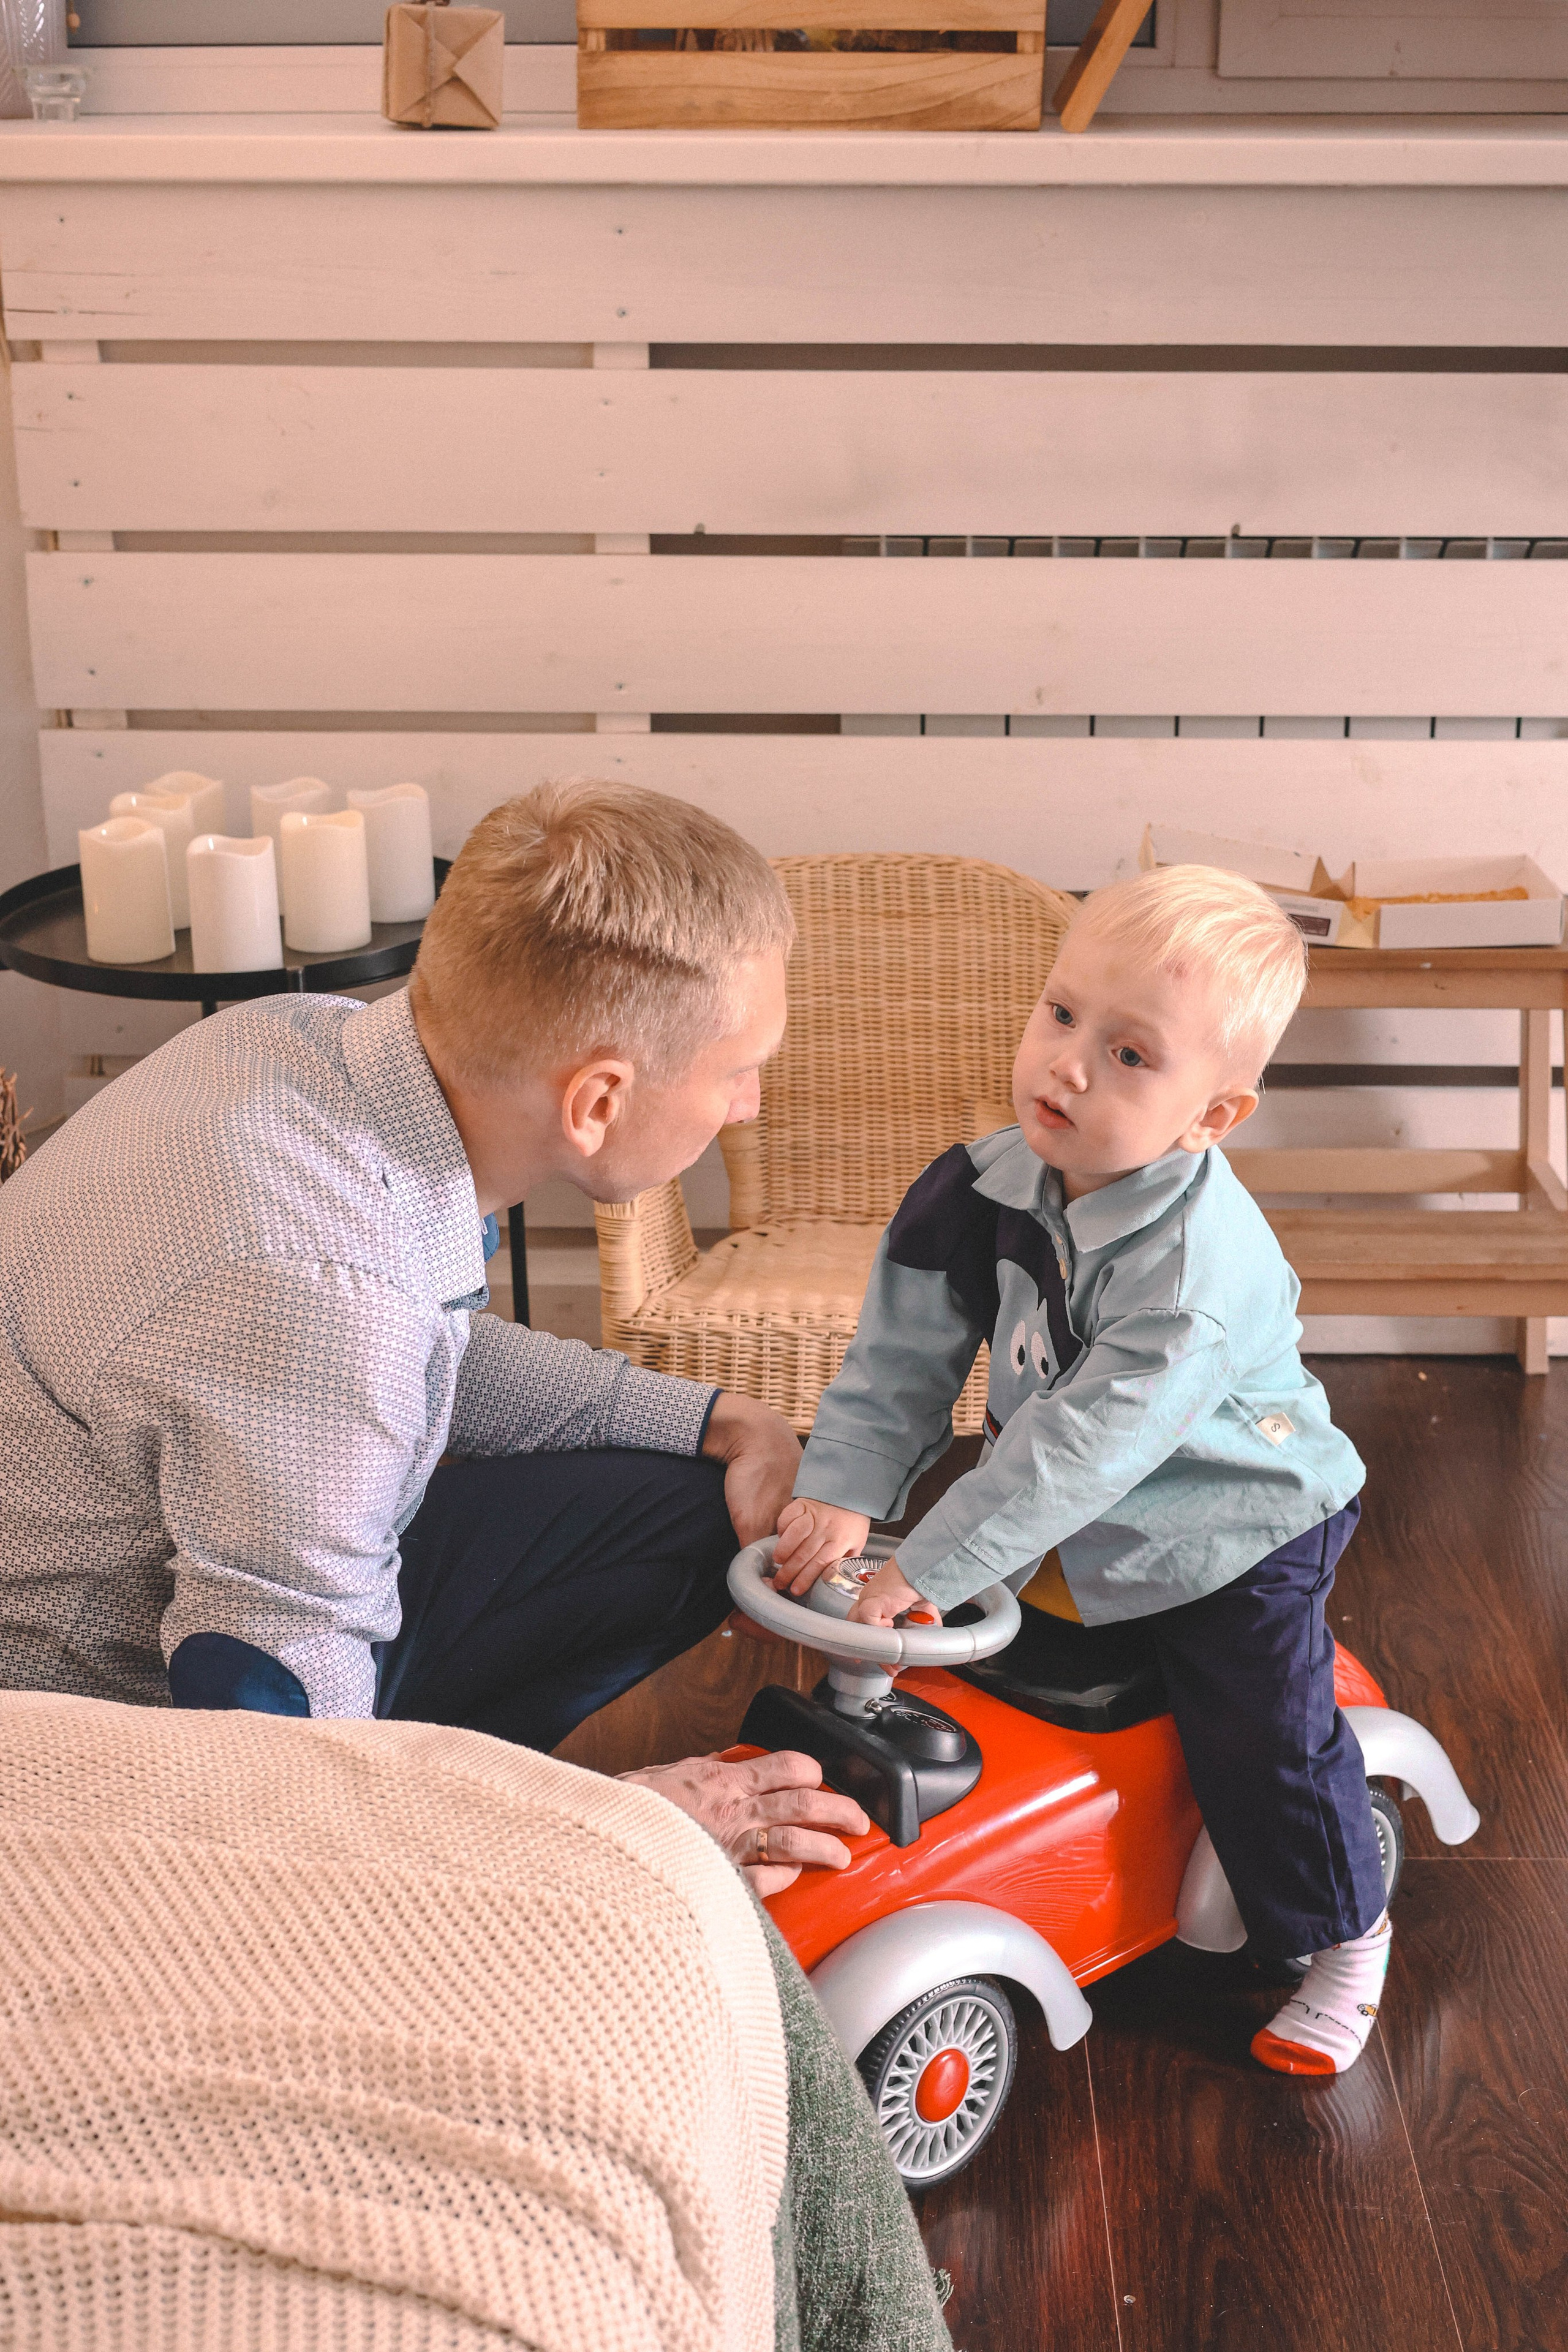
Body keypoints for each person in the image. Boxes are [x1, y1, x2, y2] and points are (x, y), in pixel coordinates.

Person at [0, 780, 867, 1893]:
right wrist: (608, 1825)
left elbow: (431, 1348)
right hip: (88, 1722)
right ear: (597, 1101)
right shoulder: (318, 1301)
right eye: (737, 1070)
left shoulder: (294, 1042)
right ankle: (476, 1832)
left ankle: (471, 1773)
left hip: (184, 1560)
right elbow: (277, 1751)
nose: (747, 1105)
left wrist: (719, 1418)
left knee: (689, 1508)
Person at [774, 863, 1390, 2078]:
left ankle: (1343, 1931)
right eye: (1060, 1016)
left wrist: (935, 1564)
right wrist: (842, 1481)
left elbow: (1082, 1446)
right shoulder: (981, 1183)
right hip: (1078, 1521)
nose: (1065, 1067)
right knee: (986, 1693)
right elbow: (901, 1353)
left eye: (1129, 1055)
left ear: (1210, 1117)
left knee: (1254, 1730)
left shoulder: (1184, 1277)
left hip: (1235, 1525)